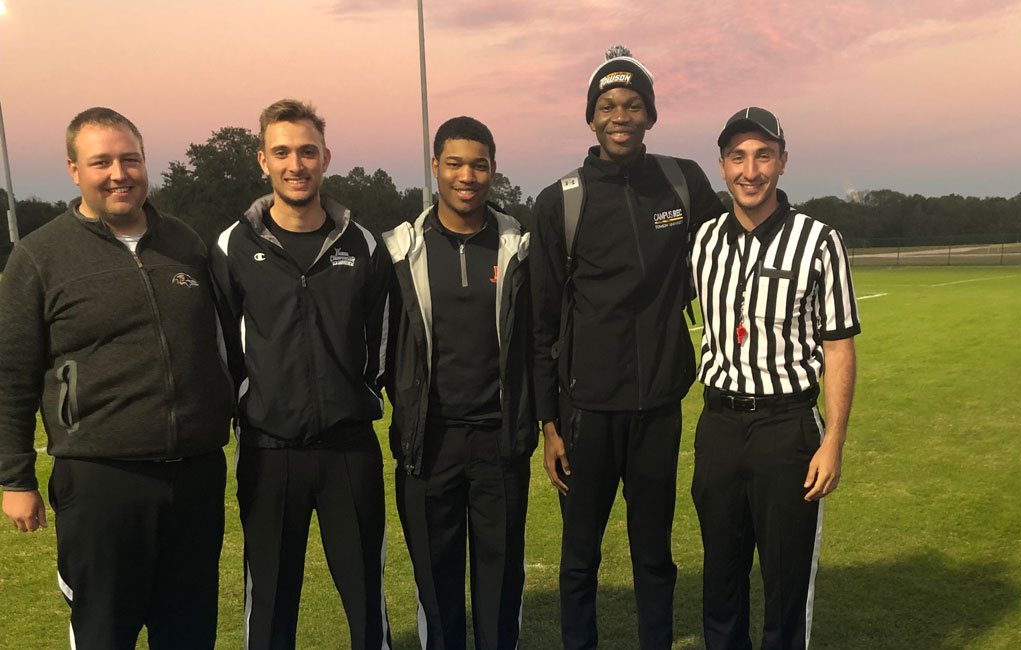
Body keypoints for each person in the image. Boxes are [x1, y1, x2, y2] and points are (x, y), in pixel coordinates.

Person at [0, 107, 232, 649]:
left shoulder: (184, 243)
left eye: (130, 159)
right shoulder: (39, 256)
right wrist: (15, 478)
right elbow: (10, 376)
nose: (119, 173)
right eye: (101, 162)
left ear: (145, 163)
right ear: (74, 170)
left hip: (196, 476)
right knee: (105, 631)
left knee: (190, 632)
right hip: (100, 480)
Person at [529, 46, 726, 650]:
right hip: (586, 411)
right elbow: (541, 324)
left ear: (651, 115)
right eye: (609, 105)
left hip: (659, 406)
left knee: (654, 557)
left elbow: (732, 249)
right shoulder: (559, 199)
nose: (621, 115)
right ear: (591, 118)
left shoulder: (682, 181)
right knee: (579, 559)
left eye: (633, 104)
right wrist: (549, 423)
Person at [209, 99, 392, 650]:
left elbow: (382, 340)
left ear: (326, 158)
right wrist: (252, 400)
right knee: (269, 599)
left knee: (365, 595)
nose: (296, 164)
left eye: (307, 151)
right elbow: (220, 349)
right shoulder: (233, 245)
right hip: (268, 451)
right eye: (282, 152)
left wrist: (358, 392)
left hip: (348, 449)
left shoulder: (361, 244)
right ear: (262, 160)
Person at [690, 107, 859, 650]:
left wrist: (833, 440)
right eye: (738, 156)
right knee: (719, 582)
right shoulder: (703, 242)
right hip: (717, 425)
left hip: (786, 427)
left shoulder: (819, 241)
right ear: (721, 165)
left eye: (764, 155)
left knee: (784, 589)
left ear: (783, 161)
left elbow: (838, 347)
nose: (751, 169)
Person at [383, 116, 536, 650]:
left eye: (478, 164)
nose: (466, 175)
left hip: (500, 443)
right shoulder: (400, 249)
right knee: (436, 588)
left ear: (493, 170)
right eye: (454, 164)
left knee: (499, 586)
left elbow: (539, 342)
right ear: (435, 168)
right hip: (429, 445)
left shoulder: (519, 246)